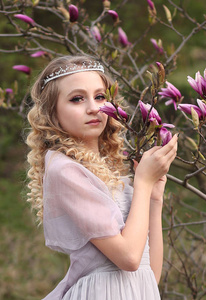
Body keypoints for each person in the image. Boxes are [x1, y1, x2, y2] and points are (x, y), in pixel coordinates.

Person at [25, 55, 178, 299]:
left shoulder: (111, 171)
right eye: (77, 99)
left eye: (100, 97)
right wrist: (143, 183)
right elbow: (128, 258)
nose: (94, 108)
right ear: (52, 112)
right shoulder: (64, 168)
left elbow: (148, 275)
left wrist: (153, 198)